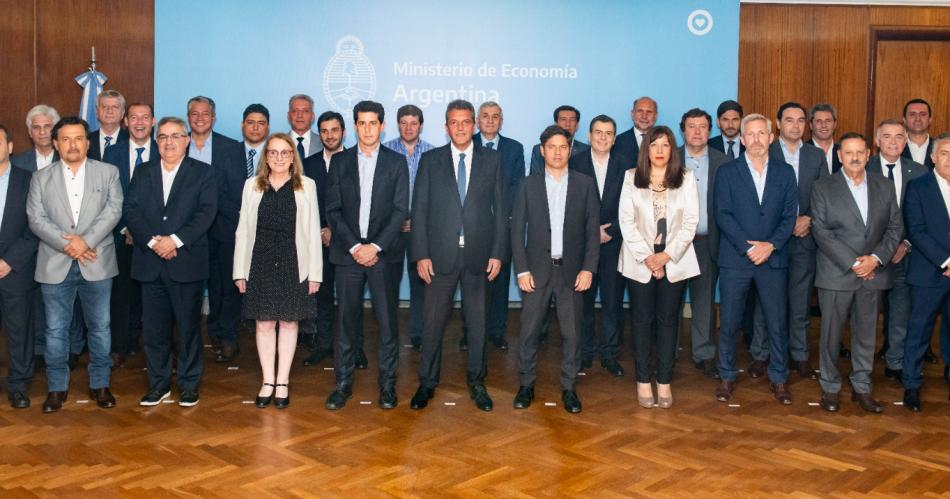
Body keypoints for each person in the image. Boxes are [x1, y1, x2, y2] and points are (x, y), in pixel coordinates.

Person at [409, 99, 508, 412]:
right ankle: (427, 382)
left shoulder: (492, 160)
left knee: (477, 324)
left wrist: (497, 253)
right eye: (455, 122)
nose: (461, 127)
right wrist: (421, 254)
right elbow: (419, 210)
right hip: (439, 256)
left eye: (466, 122)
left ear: (474, 125)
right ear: (446, 127)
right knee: (432, 323)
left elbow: (501, 210)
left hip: (479, 255)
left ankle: (477, 382)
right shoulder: (431, 160)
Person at [26, 116, 123, 413]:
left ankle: (100, 384)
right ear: (55, 144)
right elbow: (36, 219)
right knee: (56, 330)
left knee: (100, 327)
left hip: (97, 261)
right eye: (66, 139)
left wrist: (85, 242)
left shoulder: (108, 172)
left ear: (87, 143)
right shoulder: (40, 178)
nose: (72, 145)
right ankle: (57, 388)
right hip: (55, 262)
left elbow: (113, 210)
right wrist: (69, 245)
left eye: (78, 138)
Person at [124, 116, 217, 408]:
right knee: (154, 331)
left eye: (175, 136)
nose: (169, 142)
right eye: (163, 136)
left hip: (185, 262)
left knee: (188, 328)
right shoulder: (143, 171)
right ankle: (158, 385)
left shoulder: (203, 173)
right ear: (156, 141)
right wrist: (154, 243)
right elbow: (131, 210)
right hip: (150, 262)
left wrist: (174, 241)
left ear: (186, 140)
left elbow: (206, 213)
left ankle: (189, 385)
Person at [323, 101, 408, 411]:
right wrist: (356, 247)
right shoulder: (340, 162)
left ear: (382, 126)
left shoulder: (396, 162)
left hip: (383, 256)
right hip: (348, 255)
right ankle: (343, 383)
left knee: (387, 324)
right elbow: (332, 210)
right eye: (362, 123)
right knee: (346, 323)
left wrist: (375, 247)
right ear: (355, 126)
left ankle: (387, 385)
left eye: (373, 123)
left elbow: (400, 210)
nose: (368, 129)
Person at [811, 132, 902, 413]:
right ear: (839, 156)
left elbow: (895, 227)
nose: (854, 157)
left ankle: (862, 386)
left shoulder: (884, 186)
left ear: (868, 154)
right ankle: (830, 387)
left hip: (873, 274)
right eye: (848, 152)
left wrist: (875, 259)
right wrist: (855, 263)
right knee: (831, 335)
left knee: (866, 335)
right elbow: (821, 232)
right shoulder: (823, 187)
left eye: (860, 152)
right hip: (837, 273)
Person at [511, 125, 598, 414]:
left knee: (572, 334)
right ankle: (526, 384)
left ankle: (569, 387)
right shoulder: (527, 185)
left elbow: (592, 232)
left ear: (570, 150)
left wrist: (588, 268)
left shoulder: (585, 184)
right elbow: (516, 231)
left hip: (572, 272)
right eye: (552, 147)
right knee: (529, 332)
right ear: (542, 151)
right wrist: (522, 270)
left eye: (563, 147)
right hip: (536, 272)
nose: (558, 152)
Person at [714, 113, 798, 404]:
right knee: (729, 321)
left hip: (773, 259)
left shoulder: (785, 173)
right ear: (742, 139)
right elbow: (723, 214)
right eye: (750, 134)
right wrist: (749, 248)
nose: (756, 139)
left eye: (762, 133)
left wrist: (770, 245)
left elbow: (789, 216)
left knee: (777, 322)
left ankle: (779, 378)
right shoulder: (727, 172)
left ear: (771, 137)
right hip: (736, 259)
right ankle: (726, 375)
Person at [234, 133, 322, 409]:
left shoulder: (307, 186)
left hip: (294, 262)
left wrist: (315, 274)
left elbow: (313, 232)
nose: (279, 157)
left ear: (293, 156)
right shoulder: (251, 186)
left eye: (285, 152)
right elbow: (243, 231)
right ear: (266, 157)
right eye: (273, 152)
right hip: (259, 261)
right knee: (263, 323)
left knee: (289, 322)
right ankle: (267, 380)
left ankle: (282, 381)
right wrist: (239, 271)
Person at [619, 126, 700, 409]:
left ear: (672, 149)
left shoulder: (685, 178)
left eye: (665, 145)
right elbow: (626, 221)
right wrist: (648, 258)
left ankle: (664, 380)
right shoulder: (631, 177)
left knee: (668, 320)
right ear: (646, 150)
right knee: (642, 319)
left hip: (675, 258)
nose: (660, 150)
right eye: (654, 145)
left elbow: (690, 222)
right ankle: (643, 379)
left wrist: (665, 256)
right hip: (639, 258)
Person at [748, 102, 827, 381]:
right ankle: (761, 354)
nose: (795, 125)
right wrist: (780, 227)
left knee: (800, 301)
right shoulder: (766, 150)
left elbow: (825, 194)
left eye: (801, 120)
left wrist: (809, 218)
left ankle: (800, 355)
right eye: (789, 120)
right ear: (778, 124)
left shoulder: (816, 156)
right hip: (770, 240)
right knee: (766, 300)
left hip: (804, 238)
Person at [570, 115, 630, 375]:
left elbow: (631, 206)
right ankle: (583, 353)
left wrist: (611, 230)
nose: (603, 137)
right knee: (582, 301)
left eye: (608, 133)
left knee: (612, 301)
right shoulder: (575, 163)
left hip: (615, 243)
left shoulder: (626, 165)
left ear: (614, 139)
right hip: (583, 245)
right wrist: (593, 230)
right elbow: (570, 204)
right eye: (598, 132)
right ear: (589, 135)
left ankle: (609, 353)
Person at [186, 96, 244, 363]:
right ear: (188, 117)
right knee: (190, 288)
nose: (200, 118)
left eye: (205, 113)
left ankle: (225, 336)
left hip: (223, 227)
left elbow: (237, 189)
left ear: (214, 117)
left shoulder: (231, 147)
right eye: (194, 113)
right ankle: (189, 340)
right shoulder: (177, 143)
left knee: (225, 287)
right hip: (186, 231)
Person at [868, 120, 926, 381]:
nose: (893, 142)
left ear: (906, 142)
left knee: (901, 311)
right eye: (887, 136)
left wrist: (906, 243)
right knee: (867, 313)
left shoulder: (920, 172)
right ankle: (863, 365)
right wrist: (881, 249)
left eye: (899, 137)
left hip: (905, 254)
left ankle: (895, 362)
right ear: (877, 141)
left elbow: (923, 215)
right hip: (871, 254)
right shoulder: (863, 167)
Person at [102, 102, 157, 366]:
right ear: (125, 122)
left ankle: (154, 348)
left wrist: (144, 232)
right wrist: (128, 227)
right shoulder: (112, 153)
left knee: (153, 294)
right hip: (120, 233)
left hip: (156, 236)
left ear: (153, 121)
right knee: (121, 293)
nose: (139, 123)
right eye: (134, 117)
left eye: (145, 117)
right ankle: (120, 346)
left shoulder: (165, 149)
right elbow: (108, 196)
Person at [679, 108, 730, 379]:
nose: (697, 131)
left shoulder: (724, 162)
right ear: (683, 130)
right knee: (669, 302)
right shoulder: (669, 157)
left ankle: (704, 353)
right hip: (674, 245)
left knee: (704, 301)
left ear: (710, 131)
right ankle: (666, 351)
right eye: (691, 126)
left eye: (702, 126)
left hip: (708, 242)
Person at [901, 133, 950, 411]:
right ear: (933, 158)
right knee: (919, 330)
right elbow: (916, 231)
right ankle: (911, 383)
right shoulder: (918, 187)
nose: (949, 159)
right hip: (928, 272)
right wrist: (946, 261)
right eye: (944, 153)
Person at [383, 105, 435, 351]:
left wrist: (418, 220)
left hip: (421, 228)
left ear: (420, 125)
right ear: (397, 125)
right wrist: (396, 220)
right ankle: (389, 332)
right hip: (390, 229)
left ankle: (418, 333)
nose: (408, 128)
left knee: (420, 284)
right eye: (403, 123)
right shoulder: (385, 151)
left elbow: (436, 194)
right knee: (388, 284)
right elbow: (380, 193)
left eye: (413, 123)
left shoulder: (433, 153)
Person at [474, 101, 525, 351]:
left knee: (501, 281)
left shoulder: (514, 148)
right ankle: (471, 333)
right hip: (473, 226)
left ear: (501, 121)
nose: (490, 120)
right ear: (477, 120)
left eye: (495, 116)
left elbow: (517, 186)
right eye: (485, 116)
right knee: (473, 283)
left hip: (503, 226)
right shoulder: (467, 143)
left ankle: (496, 331)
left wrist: (503, 216)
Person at [301, 111, 346, 365]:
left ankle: (354, 347)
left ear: (343, 132)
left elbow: (358, 204)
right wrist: (321, 230)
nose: (330, 135)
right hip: (317, 241)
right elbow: (303, 203)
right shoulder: (307, 164)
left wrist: (334, 230)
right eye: (325, 131)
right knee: (322, 296)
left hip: (348, 241)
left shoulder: (355, 160)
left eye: (335, 130)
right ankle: (324, 344)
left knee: (350, 299)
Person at [0, 124, 39, 409]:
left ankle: (18, 385)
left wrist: (9, 261)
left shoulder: (29, 180)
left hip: (16, 269)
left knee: (19, 330)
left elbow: (36, 227)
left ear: (10, 147)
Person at [529, 106, 589, 175]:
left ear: (577, 125)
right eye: (563, 119)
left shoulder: (586, 150)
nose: (568, 124)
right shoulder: (539, 149)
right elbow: (534, 177)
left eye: (572, 120)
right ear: (556, 124)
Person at [12, 105, 61, 171]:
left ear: (56, 130)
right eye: (36, 127)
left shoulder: (66, 159)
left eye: (47, 126)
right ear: (30, 132)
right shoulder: (16, 163)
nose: (42, 132)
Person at [612, 96, 657, 164]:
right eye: (640, 111)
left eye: (649, 112)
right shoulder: (617, 142)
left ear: (656, 116)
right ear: (632, 114)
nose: (644, 116)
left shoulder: (665, 143)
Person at [88, 90, 129, 161]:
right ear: (97, 112)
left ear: (122, 113)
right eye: (104, 107)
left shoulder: (131, 139)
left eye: (115, 107)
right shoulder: (86, 139)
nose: (109, 111)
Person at [807, 103, 840, 174]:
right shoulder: (800, 152)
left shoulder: (844, 152)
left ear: (835, 124)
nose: (824, 125)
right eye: (819, 121)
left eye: (828, 121)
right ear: (811, 125)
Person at [902, 98, 934, 169]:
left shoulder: (940, 147)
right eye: (912, 114)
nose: (918, 119)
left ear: (930, 120)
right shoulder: (895, 147)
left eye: (923, 114)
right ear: (904, 120)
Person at [288, 94, 321, 159]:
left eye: (305, 111)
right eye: (295, 111)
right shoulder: (278, 143)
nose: (300, 115)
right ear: (289, 116)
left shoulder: (323, 143)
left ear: (312, 116)